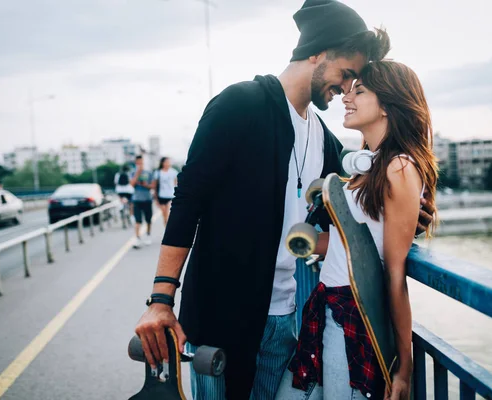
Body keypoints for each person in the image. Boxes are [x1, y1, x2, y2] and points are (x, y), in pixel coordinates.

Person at [135, 1, 433, 398]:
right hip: (222, 318)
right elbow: (188, 201)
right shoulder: (239, 104)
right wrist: (161, 298)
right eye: (346, 74)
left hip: (284, 316)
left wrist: (410, 208)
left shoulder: (322, 137)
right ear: (317, 53)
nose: (345, 88)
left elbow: (353, 208)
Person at [276, 61, 438, 400]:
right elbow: (350, 243)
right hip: (326, 307)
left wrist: (403, 369)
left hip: (354, 317)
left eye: (359, 91)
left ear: (388, 105)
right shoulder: (369, 165)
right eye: (348, 90)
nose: (346, 98)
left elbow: (394, 273)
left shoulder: (400, 167)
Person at [130, 155, 154, 249]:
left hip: (147, 199)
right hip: (137, 200)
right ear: (136, 163)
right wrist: (137, 173)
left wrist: (145, 185)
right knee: (138, 220)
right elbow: (131, 184)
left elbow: (152, 186)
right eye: (138, 162)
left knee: (148, 220)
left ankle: (148, 235)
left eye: (142, 162)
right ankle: (137, 238)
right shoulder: (132, 173)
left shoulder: (148, 173)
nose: (140, 164)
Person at [152, 157, 178, 226]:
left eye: (169, 162)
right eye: (166, 162)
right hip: (161, 196)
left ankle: (170, 229)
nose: (168, 163)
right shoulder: (158, 172)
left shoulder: (173, 172)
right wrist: (156, 199)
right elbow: (155, 186)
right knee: (165, 216)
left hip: (171, 196)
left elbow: (176, 184)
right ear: (162, 163)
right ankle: (166, 230)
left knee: (168, 213)